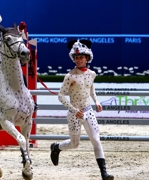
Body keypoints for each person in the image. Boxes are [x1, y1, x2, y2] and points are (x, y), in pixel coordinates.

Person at [50, 39, 114, 180]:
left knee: (96, 140)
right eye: (77, 57)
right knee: (74, 144)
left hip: (88, 110)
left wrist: (96, 102)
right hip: (74, 114)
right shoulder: (70, 76)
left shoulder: (92, 74)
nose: (79, 60)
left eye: (81, 57)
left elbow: (90, 89)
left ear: (87, 58)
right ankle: (56, 147)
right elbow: (61, 96)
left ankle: (104, 173)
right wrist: (74, 110)